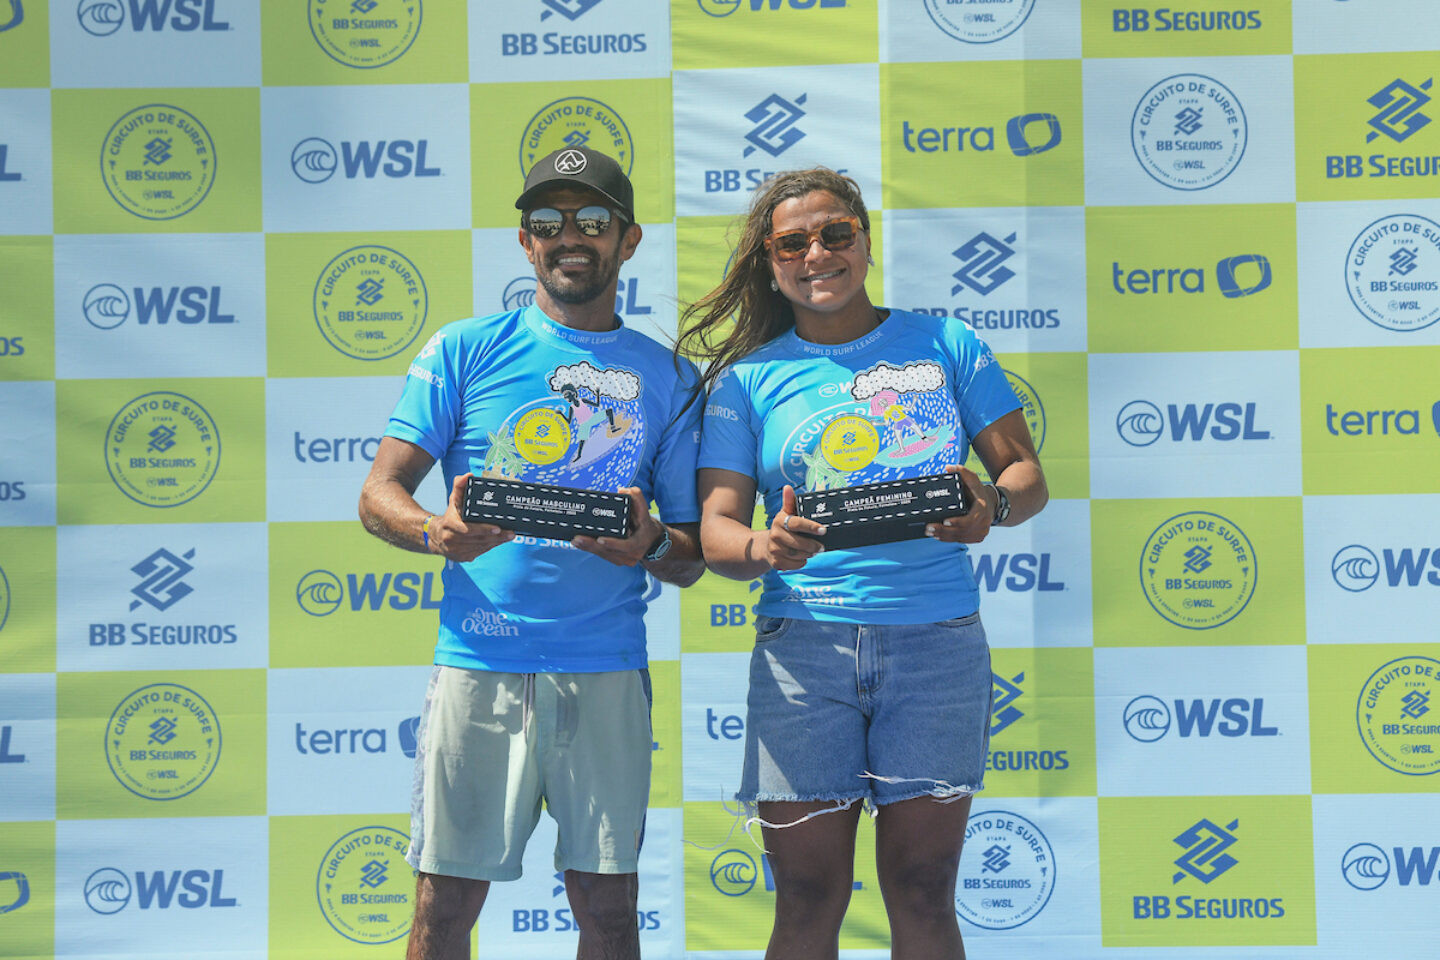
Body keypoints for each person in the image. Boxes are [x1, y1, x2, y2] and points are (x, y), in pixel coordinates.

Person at [678, 167, 1047, 960]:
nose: (817, 253)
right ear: (770, 262)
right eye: (793, 242)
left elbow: (1024, 477)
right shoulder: (748, 380)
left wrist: (994, 506)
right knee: (809, 898)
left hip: (937, 644)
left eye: (835, 233)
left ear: (867, 242)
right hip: (804, 653)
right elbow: (715, 533)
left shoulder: (946, 343)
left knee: (922, 890)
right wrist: (761, 546)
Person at [358, 146, 704, 960]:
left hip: (606, 666)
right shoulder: (463, 349)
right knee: (443, 913)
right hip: (478, 662)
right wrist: (432, 533)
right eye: (546, 221)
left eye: (591, 220)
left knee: (611, 918)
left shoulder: (671, 377)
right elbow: (380, 494)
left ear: (629, 239)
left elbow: (691, 554)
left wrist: (650, 541)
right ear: (525, 242)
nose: (568, 236)